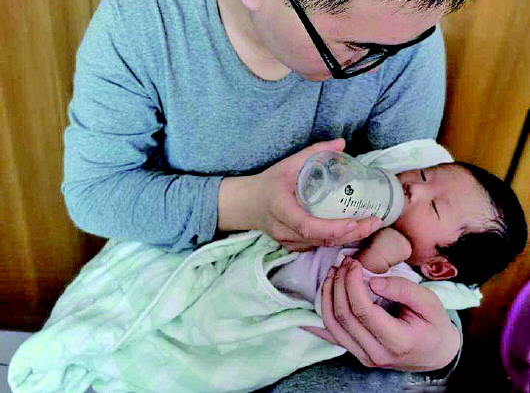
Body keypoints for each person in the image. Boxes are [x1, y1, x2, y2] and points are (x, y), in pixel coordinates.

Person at [61, 0, 499, 391]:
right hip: (181, 278)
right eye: (357, 49)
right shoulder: (142, 25)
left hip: (317, 300)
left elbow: (406, 201)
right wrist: (249, 204)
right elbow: (96, 193)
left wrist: (440, 351)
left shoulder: (402, 36)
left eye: (411, 41)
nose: (385, 65)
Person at [9, 144, 527, 393]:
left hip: (255, 322)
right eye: (425, 174)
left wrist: (375, 258)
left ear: (437, 267)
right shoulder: (372, 198)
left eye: (432, 205)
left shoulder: (407, 282)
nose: (412, 185)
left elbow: (346, 293)